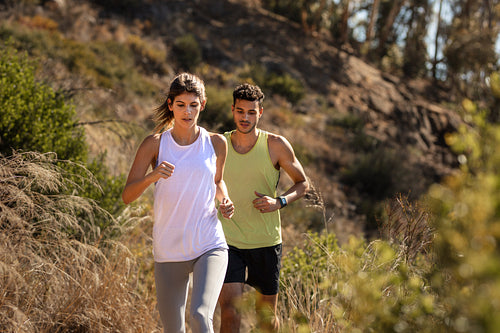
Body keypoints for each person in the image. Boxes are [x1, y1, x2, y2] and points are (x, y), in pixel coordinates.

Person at [122, 73, 235, 333]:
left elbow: (217, 181)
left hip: (208, 243)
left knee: (199, 315)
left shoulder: (216, 143)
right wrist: (152, 176)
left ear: (202, 105)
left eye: (194, 105)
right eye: (181, 105)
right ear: (171, 104)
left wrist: (225, 200)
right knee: (174, 330)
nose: (188, 112)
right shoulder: (154, 144)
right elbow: (127, 195)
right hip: (169, 249)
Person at [218, 83, 309, 332]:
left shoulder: (276, 145)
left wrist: (278, 202)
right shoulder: (219, 144)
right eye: (240, 111)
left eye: (251, 112)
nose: (245, 117)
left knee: (265, 320)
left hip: (266, 242)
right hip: (227, 242)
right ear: (233, 110)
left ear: (260, 112)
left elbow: (303, 184)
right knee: (229, 312)